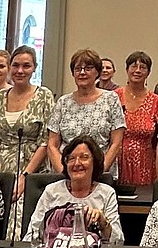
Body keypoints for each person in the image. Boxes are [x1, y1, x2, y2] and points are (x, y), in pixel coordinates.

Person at [0, 45, 55, 236]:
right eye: (15, 65)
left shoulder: (44, 96)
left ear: (34, 68)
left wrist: (24, 177)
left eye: (26, 66)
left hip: (33, 172)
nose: (20, 71)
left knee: (25, 225)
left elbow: (45, 142)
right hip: (2, 169)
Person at [24, 136, 123, 247]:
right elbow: (31, 235)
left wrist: (103, 222)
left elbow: (117, 241)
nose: (77, 163)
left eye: (84, 157)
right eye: (71, 158)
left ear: (95, 162)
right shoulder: (52, 191)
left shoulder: (106, 193)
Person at [47, 48, 126, 178]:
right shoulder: (63, 102)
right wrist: (65, 172)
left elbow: (116, 143)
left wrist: (97, 172)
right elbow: (52, 144)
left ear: (97, 72)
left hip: (100, 176)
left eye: (88, 68)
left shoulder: (111, 99)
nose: (82, 73)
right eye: (78, 69)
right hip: (67, 176)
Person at [114, 51, 158, 187]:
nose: (137, 70)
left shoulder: (155, 101)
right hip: (117, 160)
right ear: (126, 70)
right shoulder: (114, 97)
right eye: (133, 66)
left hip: (145, 162)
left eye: (142, 67)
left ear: (148, 72)